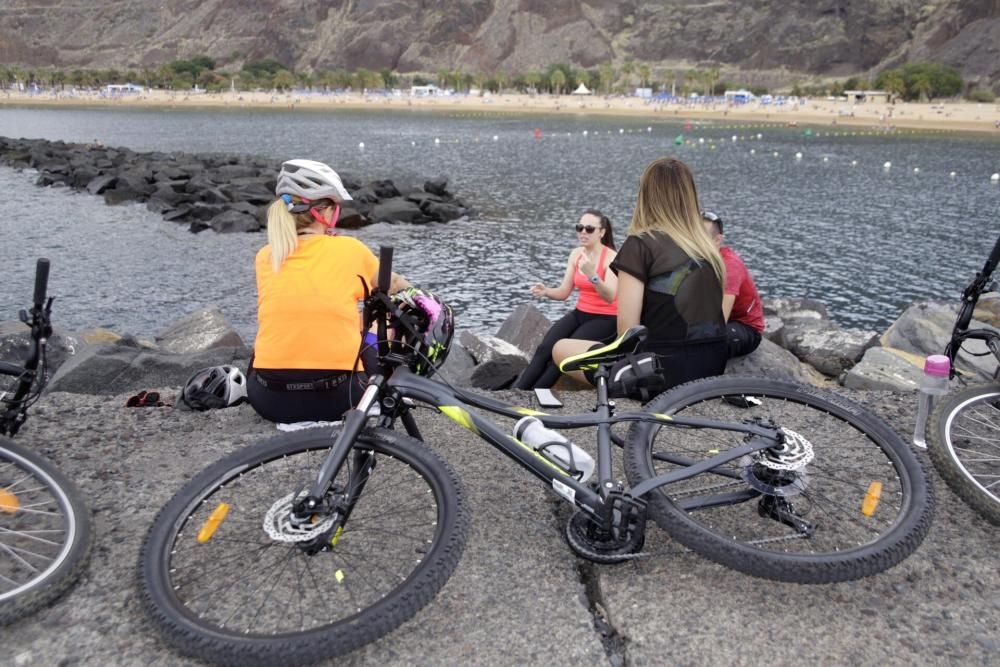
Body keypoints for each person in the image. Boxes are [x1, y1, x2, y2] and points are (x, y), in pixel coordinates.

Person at [248, 158, 409, 424]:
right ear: (322, 212)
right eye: (335, 207)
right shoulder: (349, 250)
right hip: (340, 398)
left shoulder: (266, 256)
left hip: (268, 400)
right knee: (382, 326)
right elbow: (395, 287)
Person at [553, 157, 728, 392]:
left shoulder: (641, 245)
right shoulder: (709, 251)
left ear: (645, 196)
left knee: (561, 348)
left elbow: (628, 333)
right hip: (710, 367)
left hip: (659, 373)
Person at [514, 209, 619, 389]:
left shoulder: (612, 258)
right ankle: (516, 392)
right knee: (544, 349)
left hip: (605, 319)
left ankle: (534, 395)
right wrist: (546, 291)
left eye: (589, 229)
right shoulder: (576, 254)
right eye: (580, 228)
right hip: (580, 313)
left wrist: (592, 275)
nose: (583, 232)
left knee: (562, 356)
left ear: (602, 232)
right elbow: (564, 293)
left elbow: (610, 296)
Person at [701, 211, 765, 358]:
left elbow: (719, 319)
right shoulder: (698, 261)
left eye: (702, 237)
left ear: (717, 240)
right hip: (717, 319)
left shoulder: (729, 266)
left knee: (704, 343)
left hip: (746, 327)